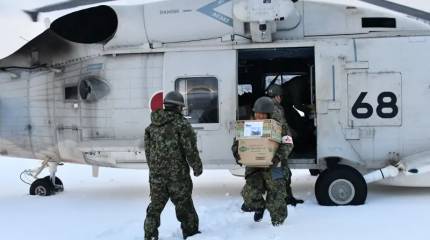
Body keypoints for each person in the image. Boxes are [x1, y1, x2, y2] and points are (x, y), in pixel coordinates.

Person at [144, 91, 203, 240]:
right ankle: (190, 234)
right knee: (184, 206)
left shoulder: (152, 126)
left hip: (157, 177)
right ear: (179, 107)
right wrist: (197, 167)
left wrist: (155, 170)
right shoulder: (182, 124)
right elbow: (190, 149)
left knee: (155, 208)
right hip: (178, 176)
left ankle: (150, 235)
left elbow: (148, 152)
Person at [232, 97, 292, 226]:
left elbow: (288, 144)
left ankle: (278, 225)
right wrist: (238, 154)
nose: (259, 116)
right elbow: (237, 143)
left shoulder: (279, 126)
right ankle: (259, 207)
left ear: (269, 114)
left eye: (262, 113)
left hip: (275, 166)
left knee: (276, 197)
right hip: (255, 167)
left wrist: (278, 157)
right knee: (249, 195)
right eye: (257, 113)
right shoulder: (247, 126)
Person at [267, 84, 304, 206]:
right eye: (281, 96)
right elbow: (282, 127)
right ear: (277, 96)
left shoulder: (268, 105)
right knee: (279, 175)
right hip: (277, 147)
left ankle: (287, 198)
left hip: (275, 145)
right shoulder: (275, 108)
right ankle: (280, 201)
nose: (281, 98)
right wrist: (289, 138)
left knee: (285, 173)